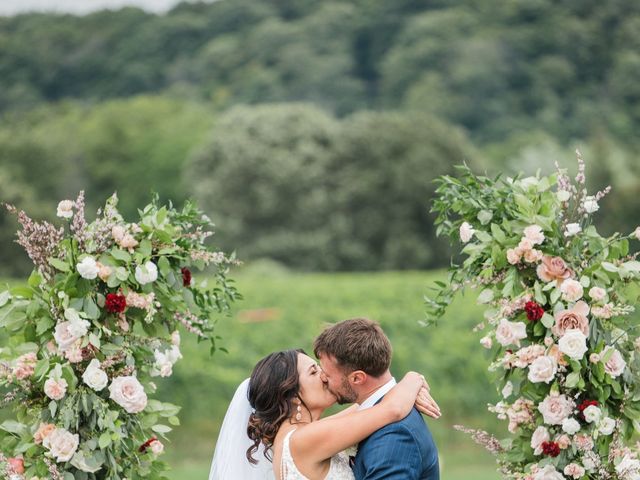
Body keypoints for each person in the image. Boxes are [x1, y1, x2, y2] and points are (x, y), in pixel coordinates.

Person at [314, 318, 440, 479]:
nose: (323, 379)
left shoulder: (395, 435)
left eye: (328, 374)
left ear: (357, 378)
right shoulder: (376, 412)